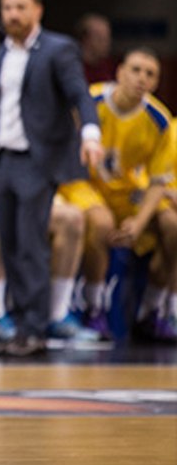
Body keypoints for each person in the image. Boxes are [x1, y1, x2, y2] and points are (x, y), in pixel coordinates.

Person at [0, 0, 103, 357]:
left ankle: (34, 329)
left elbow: (79, 95)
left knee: (30, 244)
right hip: (4, 159)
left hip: (38, 161)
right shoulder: (0, 55)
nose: (13, 15)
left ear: (37, 10)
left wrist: (90, 134)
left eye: (20, 7)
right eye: (7, 8)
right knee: (9, 244)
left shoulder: (58, 49)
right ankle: (22, 325)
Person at [0, 37, 94, 344]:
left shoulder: (24, 105)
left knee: (73, 218)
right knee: (1, 214)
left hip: (22, 186)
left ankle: (56, 314)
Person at [58, 48, 177, 343]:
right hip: (84, 184)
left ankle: (151, 311)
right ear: (120, 72)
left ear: (156, 83)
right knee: (101, 223)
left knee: (172, 227)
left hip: (127, 192)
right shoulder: (90, 101)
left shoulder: (159, 120)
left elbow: (158, 182)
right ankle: (94, 308)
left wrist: (139, 222)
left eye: (150, 74)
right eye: (136, 70)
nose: (142, 78)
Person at [77, 12, 114, 85]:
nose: (106, 43)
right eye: (100, 39)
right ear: (86, 39)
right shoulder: (74, 68)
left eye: (107, 38)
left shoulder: (111, 68)